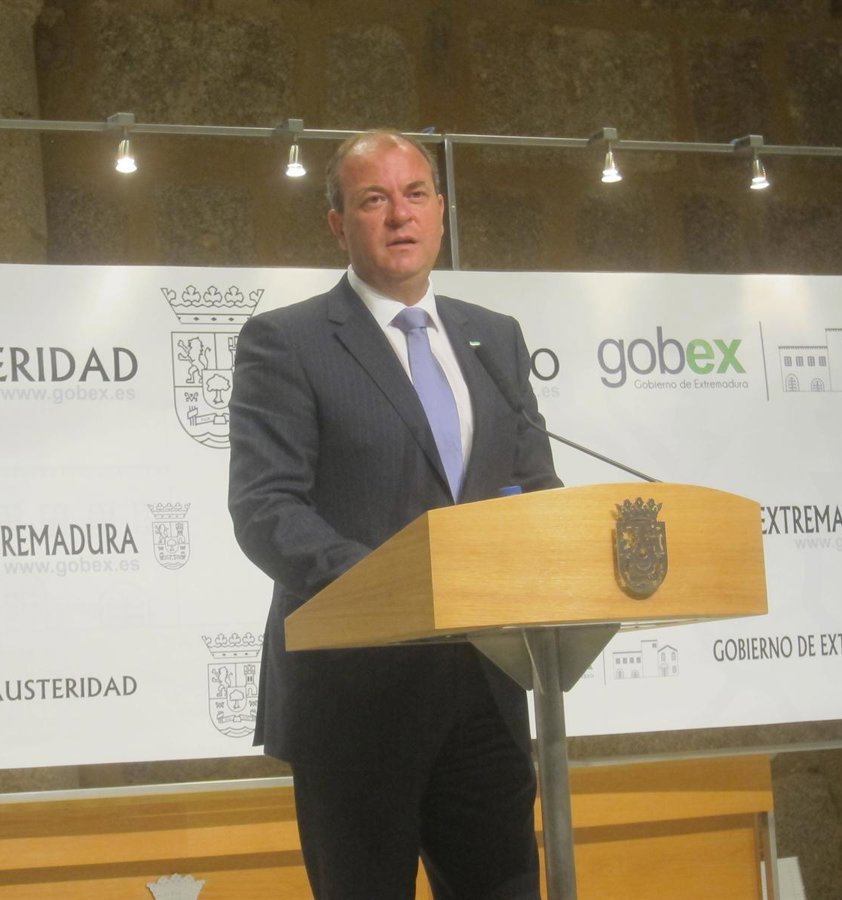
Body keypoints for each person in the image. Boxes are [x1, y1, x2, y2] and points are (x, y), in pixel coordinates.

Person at [227, 130, 563, 899]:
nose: (400, 215)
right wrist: (397, 585)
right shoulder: (288, 342)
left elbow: (535, 481)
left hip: (488, 689)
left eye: (415, 195)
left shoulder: (493, 337)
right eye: (373, 200)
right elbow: (265, 507)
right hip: (355, 700)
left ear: (442, 210)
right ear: (338, 224)